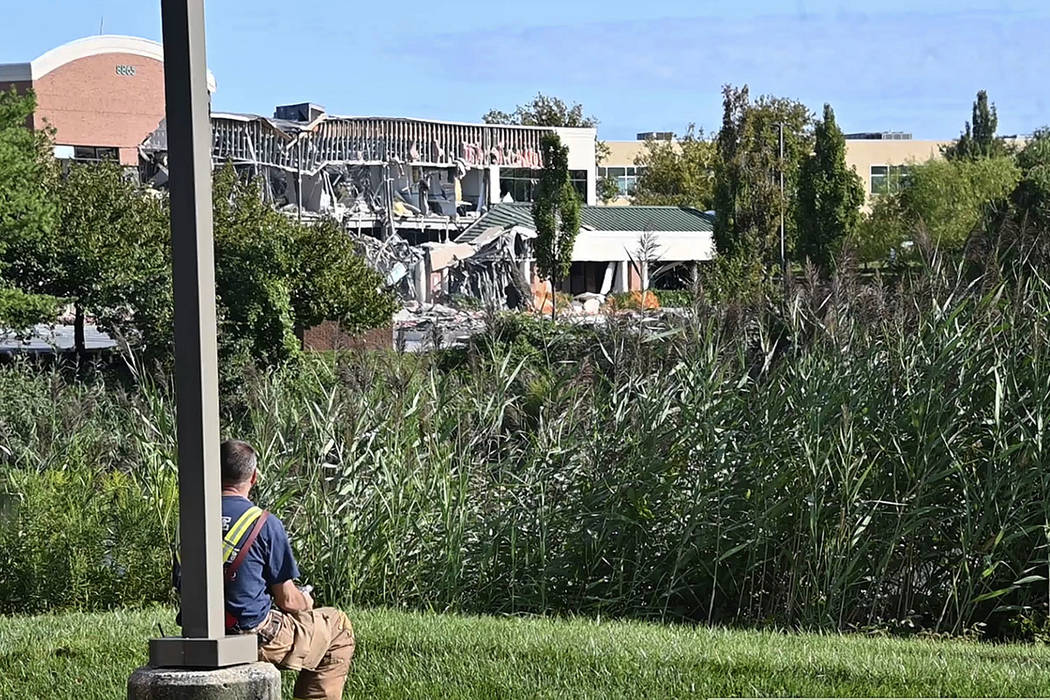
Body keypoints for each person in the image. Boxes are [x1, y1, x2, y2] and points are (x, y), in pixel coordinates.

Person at [215, 439, 354, 700]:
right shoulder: (263, 523)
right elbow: (288, 600)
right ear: (253, 477)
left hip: (200, 633)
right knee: (338, 627)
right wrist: (305, 600)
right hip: (251, 634)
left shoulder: (190, 519)